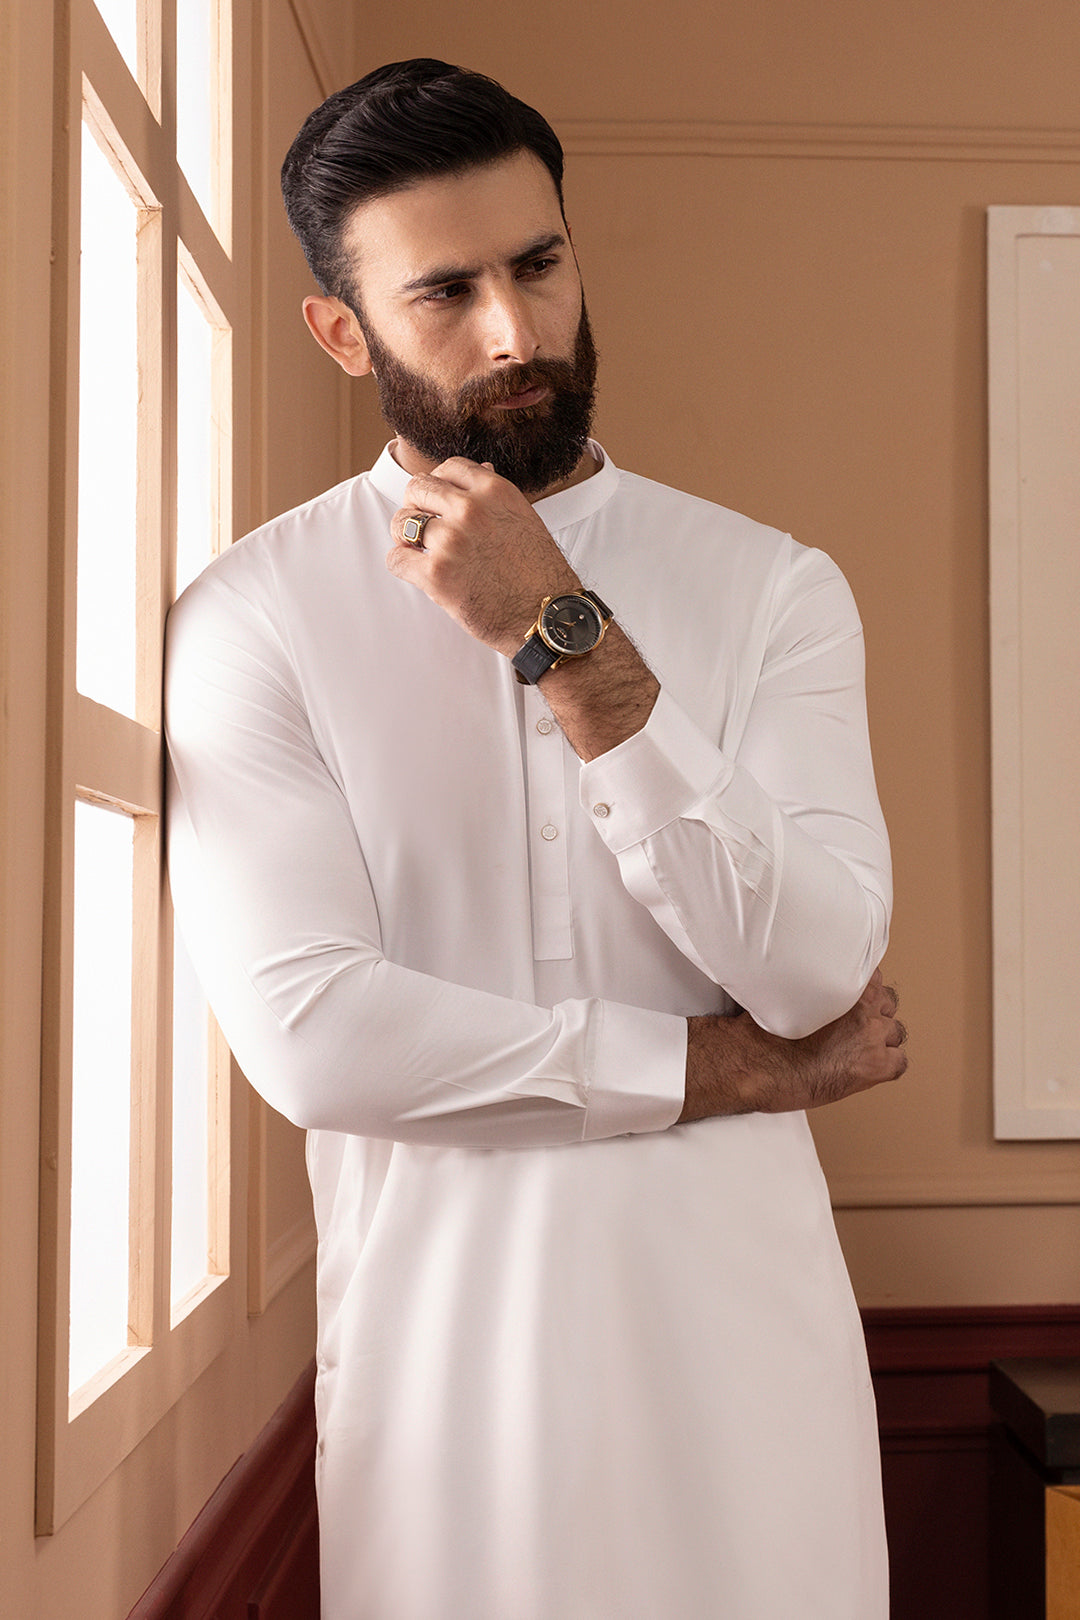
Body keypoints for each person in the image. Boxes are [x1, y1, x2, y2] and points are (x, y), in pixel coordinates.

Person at [164, 57, 907, 1620]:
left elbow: (818, 969)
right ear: (343, 332)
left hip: (754, 1399)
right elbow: (318, 1037)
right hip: (447, 1423)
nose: (516, 331)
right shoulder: (253, 617)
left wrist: (567, 641)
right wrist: (722, 1072)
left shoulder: (775, 588)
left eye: (540, 263)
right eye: (447, 291)